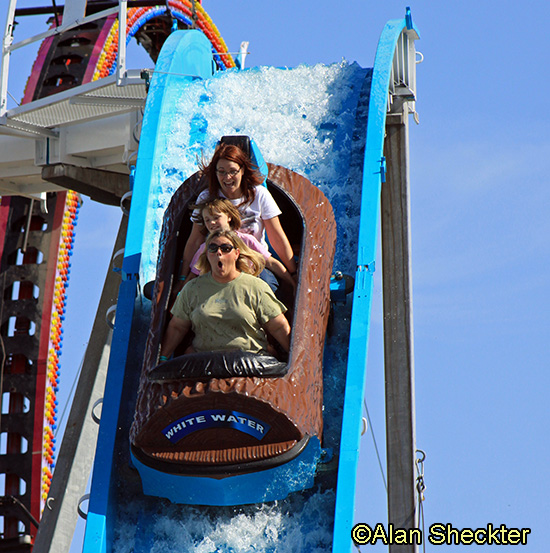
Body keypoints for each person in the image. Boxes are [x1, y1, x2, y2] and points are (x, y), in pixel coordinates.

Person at [160, 230, 291, 359]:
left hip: (249, 363)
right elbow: (177, 327)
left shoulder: (256, 287)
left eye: (226, 248)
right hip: (205, 363)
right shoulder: (192, 289)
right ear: (207, 254)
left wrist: (295, 359)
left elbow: (279, 327)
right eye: (213, 248)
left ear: (236, 254)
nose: (219, 252)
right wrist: (162, 360)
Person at [180, 142, 297, 283]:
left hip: (252, 263)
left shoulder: (259, 194)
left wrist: (294, 274)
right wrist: (182, 279)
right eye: (221, 172)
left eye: (232, 171)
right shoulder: (207, 198)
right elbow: (195, 241)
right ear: (215, 173)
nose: (227, 177)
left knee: (265, 287)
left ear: (242, 170)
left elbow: (277, 238)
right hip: (217, 264)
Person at [180, 198, 295, 292]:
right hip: (221, 288)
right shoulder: (205, 248)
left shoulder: (247, 240)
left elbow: (271, 262)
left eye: (216, 217)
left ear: (229, 217)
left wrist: (292, 283)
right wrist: (180, 295)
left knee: (268, 284)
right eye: (207, 220)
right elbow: (193, 275)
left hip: (250, 283)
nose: (212, 223)